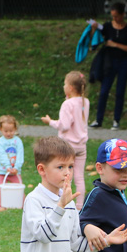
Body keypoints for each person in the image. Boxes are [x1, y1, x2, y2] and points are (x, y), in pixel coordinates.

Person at [42, 70, 90, 208]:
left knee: (64, 175)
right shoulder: (84, 101)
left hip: (67, 147)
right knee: (79, 177)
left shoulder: (67, 105)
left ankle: (63, 202)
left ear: (70, 88)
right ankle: (80, 206)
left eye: (64, 84)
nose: (63, 86)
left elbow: (64, 125)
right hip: (81, 146)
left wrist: (50, 121)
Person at [88, 3, 127, 130]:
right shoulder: (108, 27)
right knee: (104, 91)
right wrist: (94, 28)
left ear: (122, 15)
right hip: (109, 62)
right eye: (113, 16)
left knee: (120, 91)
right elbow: (96, 38)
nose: (114, 18)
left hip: (124, 62)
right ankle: (99, 119)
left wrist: (115, 44)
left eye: (117, 16)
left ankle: (116, 120)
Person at [0, 115, 24, 210]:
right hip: (1, 171)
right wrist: (7, 166)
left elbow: (20, 155)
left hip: (15, 171)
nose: (8, 133)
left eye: (11, 131)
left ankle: (23, 204)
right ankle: (2, 206)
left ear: (15, 129)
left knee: (19, 187)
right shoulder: (0, 142)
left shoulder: (18, 141)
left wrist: (16, 167)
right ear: (0, 129)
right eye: (6, 131)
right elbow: (1, 155)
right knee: (1, 189)